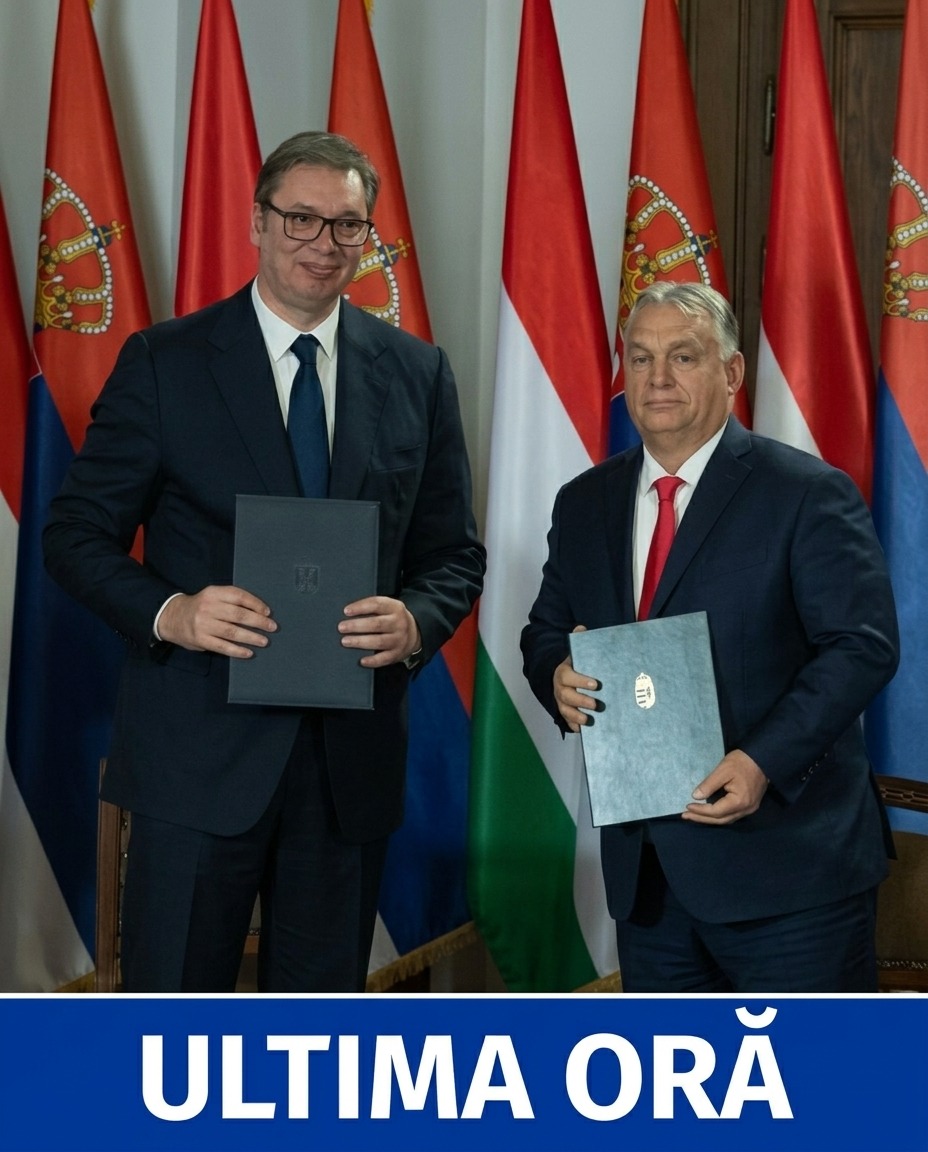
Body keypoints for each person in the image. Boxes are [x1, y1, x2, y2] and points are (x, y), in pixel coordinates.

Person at [44, 131, 485, 993]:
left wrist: (416, 621)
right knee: (173, 1034)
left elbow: (452, 555)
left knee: (313, 1043)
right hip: (197, 759)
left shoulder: (418, 373)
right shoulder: (166, 362)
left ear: (368, 236)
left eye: (347, 225)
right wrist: (174, 612)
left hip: (346, 769)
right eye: (300, 219)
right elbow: (74, 535)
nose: (324, 243)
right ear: (257, 222)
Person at [521, 281, 899, 992]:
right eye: (641, 358)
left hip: (790, 873)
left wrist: (761, 761)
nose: (658, 378)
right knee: (672, 1069)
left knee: (809, 1067)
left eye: (684, 356)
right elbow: (545, 629)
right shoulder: (585, 502)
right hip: (649, 882)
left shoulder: (807, 493)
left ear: (731, 372)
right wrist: (556, 676)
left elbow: (862, 647)